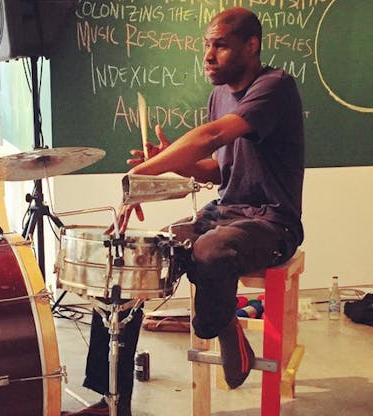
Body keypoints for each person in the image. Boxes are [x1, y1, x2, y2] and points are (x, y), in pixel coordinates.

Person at [62, 6, 304, 416]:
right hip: (225, 211)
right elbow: (217, 169)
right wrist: (171, 161)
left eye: (220, 46)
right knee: (132, 257)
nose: (208, 55)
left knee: (209, 252)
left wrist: (141, 174)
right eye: (206, 45)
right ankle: (109, 399)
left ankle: (223, 329)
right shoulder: (219, 95)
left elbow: (211, 137)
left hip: (271, 222)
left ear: (252, 45)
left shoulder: (275, 86)